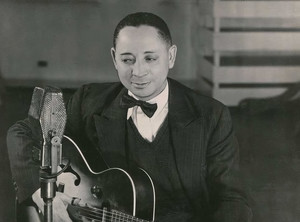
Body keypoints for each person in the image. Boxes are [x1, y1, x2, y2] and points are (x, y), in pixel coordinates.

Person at [7, 12, 252, 222]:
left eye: (150, 58)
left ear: (171, 56)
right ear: (114, 58)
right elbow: (23, 132)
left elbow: (233, 199)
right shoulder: (89, 101)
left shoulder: (211, 116)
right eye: (127, 59)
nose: (138, 72)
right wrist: (41, 193)